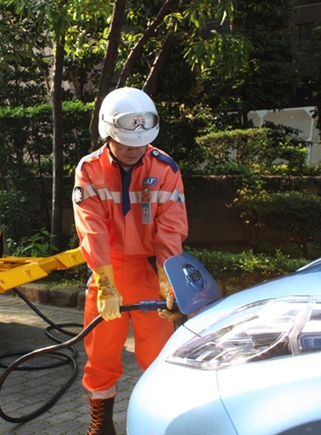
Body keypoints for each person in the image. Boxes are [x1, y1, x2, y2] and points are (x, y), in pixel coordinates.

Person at [72, 87, 188, 435]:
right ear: (108, 134)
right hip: (108, 268)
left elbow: (171, 228)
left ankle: (162, 421)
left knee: (158, 354)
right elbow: (93, 230)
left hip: (151, 270)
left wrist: (171, 283)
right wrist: (106, 282)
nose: (135, 149)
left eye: (142, 143)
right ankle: (102, 424)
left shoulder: (164, 168)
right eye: (126, 144)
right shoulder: (90, 169)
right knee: (102, 354)